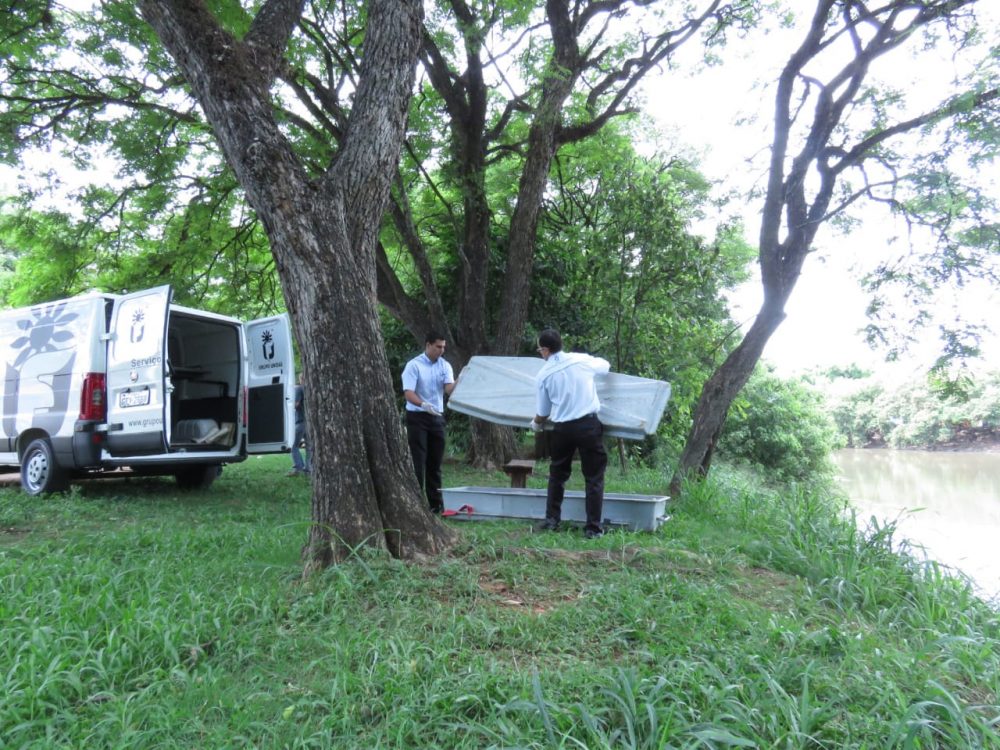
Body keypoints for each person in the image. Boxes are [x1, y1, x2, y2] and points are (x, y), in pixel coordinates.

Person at [530, 329, 610, 538]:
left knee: (557, 475)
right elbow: (605, 366)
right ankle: (593, 529)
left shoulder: (543, 375)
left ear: (546, 350)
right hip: (588, 426)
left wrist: (535, 425)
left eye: (540, 350)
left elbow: (543, 413)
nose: (540, 353)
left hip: (563, 429)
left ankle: (551, 521)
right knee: (593, 477)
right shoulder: (581, 360)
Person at [402, 332, 455, 513]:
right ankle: (416, 504)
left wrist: (460, 380)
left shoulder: (445, 366)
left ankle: (436, 505)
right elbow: (408, 392)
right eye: (438, 347)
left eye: (443, 347)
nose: (441, 350)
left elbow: (448, 389)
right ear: (428, 345)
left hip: (436, 417)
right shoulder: (414, 365)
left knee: (435, 462)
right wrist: (423, 404)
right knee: (418, 460)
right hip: (417, 416)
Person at [287, 374, 311, 476]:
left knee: (294, 446)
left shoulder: (299, 389)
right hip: (309, 423)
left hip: (300, 422)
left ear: (301, 379)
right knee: (309, 447)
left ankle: (298, 468)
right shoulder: (311, 390)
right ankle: (308, 469)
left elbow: (296, 404)